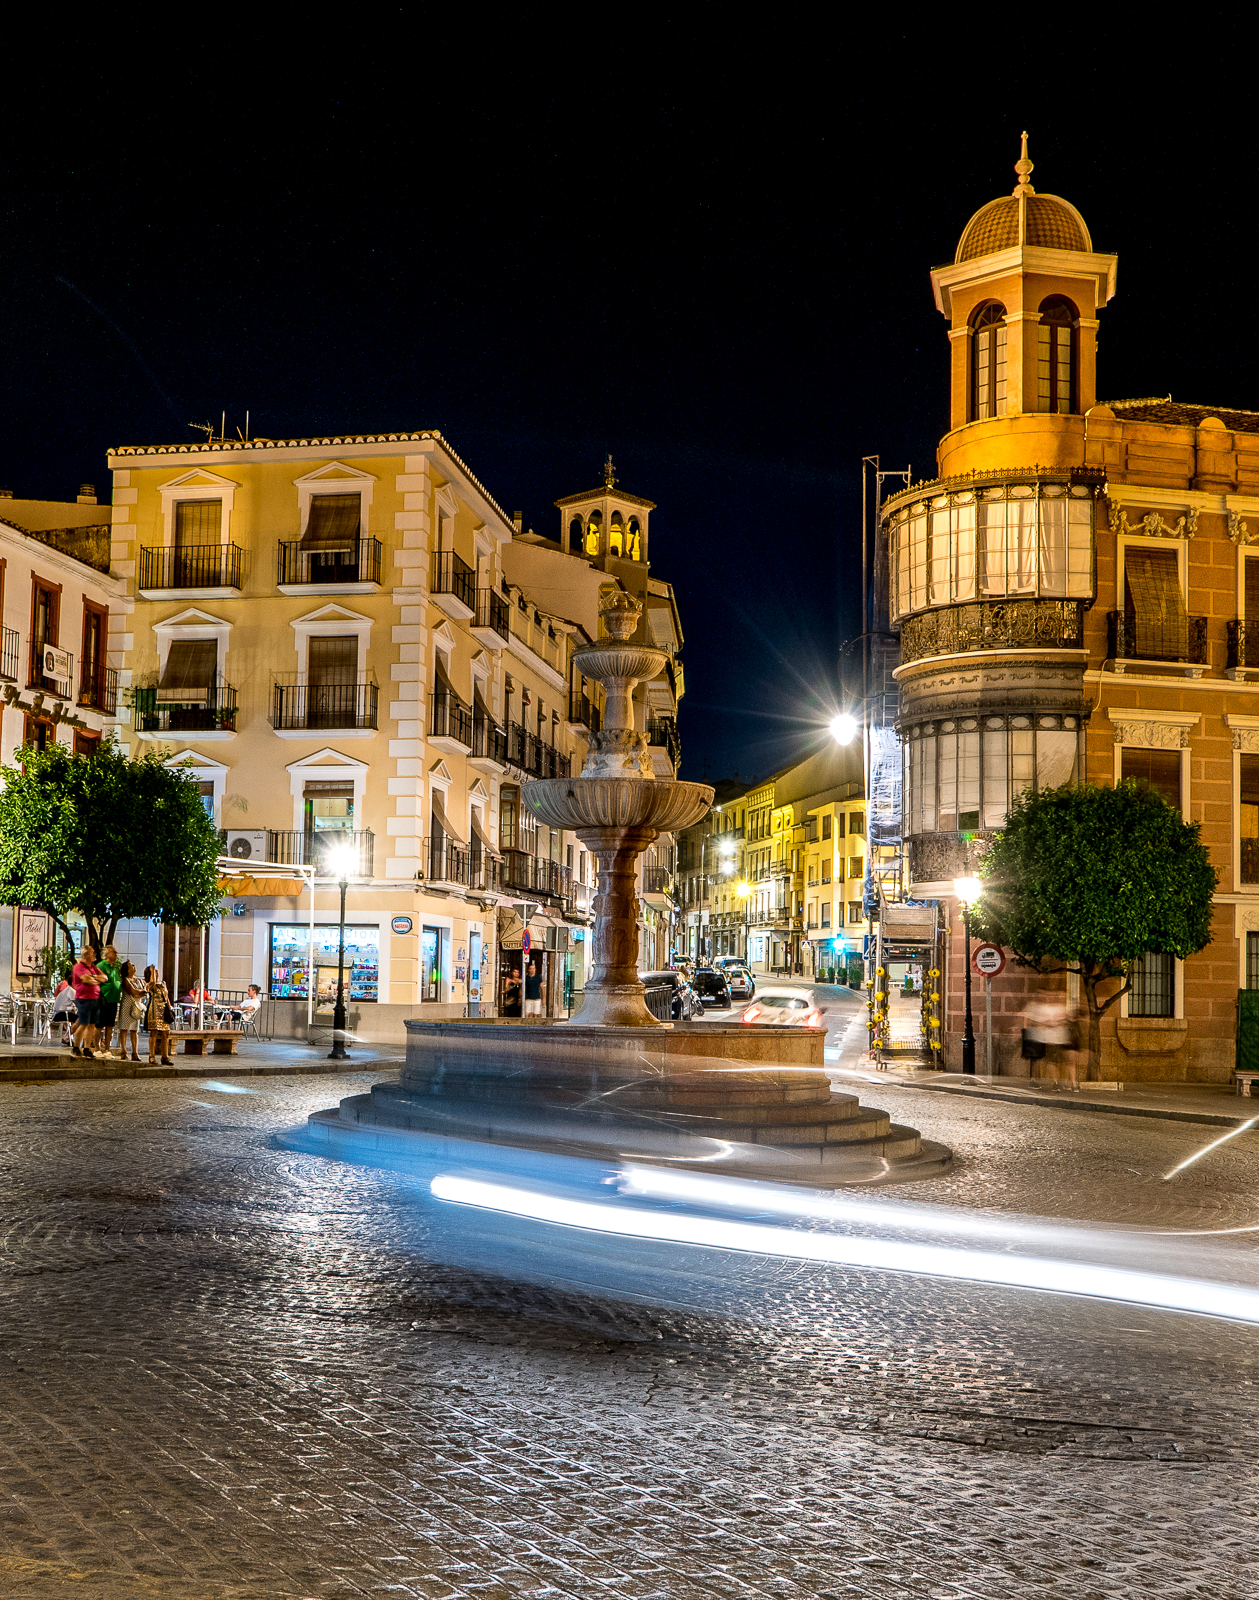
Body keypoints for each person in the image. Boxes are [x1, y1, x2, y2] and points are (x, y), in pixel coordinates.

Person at [70, 946, 106, 1058]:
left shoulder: (93, 967)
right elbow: (86, 979)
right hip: (84, 998)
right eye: (92, 952)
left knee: (92, 1025)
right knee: (84, 1023)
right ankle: (76, 1047)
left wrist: (94, 977)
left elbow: (104, 977)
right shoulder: (79, 967)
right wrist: (95, 979)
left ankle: (87, 1048)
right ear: (86, 954)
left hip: (95, 998)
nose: (94, 953)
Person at [143, 965, 175, 1065]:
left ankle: (165, 1056)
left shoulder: (163, 983)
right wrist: (151, 970)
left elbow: (166, 996)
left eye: (156, 972)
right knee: (154, 1032)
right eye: (154, 973)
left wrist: (170, 1007)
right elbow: (152, 982)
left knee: (166, 1033)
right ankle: (152, 1056)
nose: (156, 974)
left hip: (164, 1008)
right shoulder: (149, 984)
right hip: (154, 1008)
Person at [96, 944, 123, 1058]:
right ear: (107, 954)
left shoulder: (115, 967)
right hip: (103, 998)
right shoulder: (101, 965)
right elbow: (97, 980)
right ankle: (97, 1048)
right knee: (99, 1025)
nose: (116, 954)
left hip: (113, 999)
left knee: (110, 1025)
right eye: (114, 952)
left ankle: (107, 1048)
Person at [117, 961, 146, 1063]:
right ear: (127, 969)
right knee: (124, 1028)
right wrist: (141, 992)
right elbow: (134, 992)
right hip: (127, 1006)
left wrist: (141, 992)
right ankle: (123, 1051)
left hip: (136, 1006)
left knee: (134, 1030)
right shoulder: (125, 980)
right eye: (131, 965)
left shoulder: (138, 980)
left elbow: (143, 990)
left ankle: (135, 1052)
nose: (134, 966)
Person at [51, 978, 77, 1047]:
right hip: (62, 1014)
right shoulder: (72, 991)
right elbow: (78, 1004)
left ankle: (69, 1038)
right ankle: (66, 1038)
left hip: (57, 1013)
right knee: (81, 1020)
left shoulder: (66, 990)